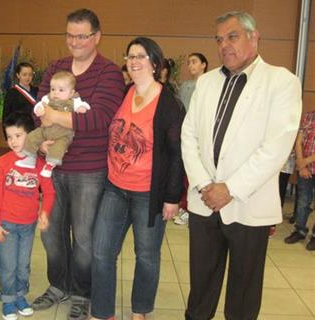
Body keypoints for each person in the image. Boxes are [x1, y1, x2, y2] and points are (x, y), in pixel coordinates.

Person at [181, 11, 302, 320]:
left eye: (232, 36)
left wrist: (230, 188)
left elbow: (276, 146)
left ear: (254, 36)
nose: (224, 45)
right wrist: (205, 185)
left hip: (249, 203)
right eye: (219, 39)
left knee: (244, 290)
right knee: (201, 285)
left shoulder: (281, 81)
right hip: (204, 200)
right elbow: (188, 135)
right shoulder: (206, 82)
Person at [30, 8, 125, 320]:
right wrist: (47, 132)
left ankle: (83, 292)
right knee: (50, 234)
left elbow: (100, 118)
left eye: (82, 36)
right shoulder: (56, 68)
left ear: (96, 36)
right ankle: (58, 285)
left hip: (89, 171)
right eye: (70, 35)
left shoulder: (109, 72)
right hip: (52, 168)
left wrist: (56, 117)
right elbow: (37, 110)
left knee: (84, 237)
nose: (75, 42)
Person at [90, 37, 185, 320]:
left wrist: (171, 198)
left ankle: (140, 311)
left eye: (141, 56)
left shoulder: (169, 104)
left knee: (146, 256)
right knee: (101, 253)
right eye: (130, 56)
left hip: (148, 194)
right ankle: (102, 312)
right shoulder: (123, 92)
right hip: (115, 188)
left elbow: (177, 155)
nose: (134, 61)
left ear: (155, 63)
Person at [0, 112, 56, 320]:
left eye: (18, 135)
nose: (13, 141)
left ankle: (20, 296)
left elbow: (49, 191)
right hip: (6, 225)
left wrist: (45, 212)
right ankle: (8, 300)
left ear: (31, 136)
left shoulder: (38, 164)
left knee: (22, 265)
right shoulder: (2, 163)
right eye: (9, 137)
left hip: (28, 225)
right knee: (7, 265)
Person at [16, 71, 90, 177]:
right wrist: (39, 110)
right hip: (45, 130)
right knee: (31, 137)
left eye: (61, 90)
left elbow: (85, 106)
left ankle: (50, 165)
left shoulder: (74, 101)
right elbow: (38, 105)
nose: (55, 93)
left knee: (59, 147)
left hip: (63, 134)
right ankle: (30, 158)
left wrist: (82, 108)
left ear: (71, 92)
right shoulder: (47, 99)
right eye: (53, 89)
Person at [174, 52, 208, 226]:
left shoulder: (208, 84)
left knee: (194, 173)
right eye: (188, 62)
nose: (190, 65)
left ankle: (190, 209)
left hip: (199, 135)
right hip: (183, 132)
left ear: (203, 64)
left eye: (194, 62)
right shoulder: (186, 86)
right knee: (182, 172)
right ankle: (183, 204)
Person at [284, 110, 315, 250]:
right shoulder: (308, 116)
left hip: (307, 164)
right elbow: (298, 142)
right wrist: (302, 164)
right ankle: (300, 230)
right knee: (303, 201)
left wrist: (304, 161)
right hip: (305, 170)